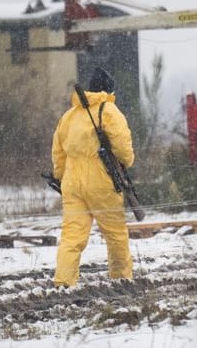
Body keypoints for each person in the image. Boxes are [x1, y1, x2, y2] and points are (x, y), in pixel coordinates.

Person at [52, 67, 135, 287]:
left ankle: (63, 282)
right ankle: (121, 279)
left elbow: (58, 153)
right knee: (115, 234)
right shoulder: (109, 111)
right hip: (101, 180)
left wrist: (61, 177)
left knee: (72, 236)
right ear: (108, 89)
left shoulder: (69, 116)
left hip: (71, 182)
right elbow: (123, 149)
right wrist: (127, 163)